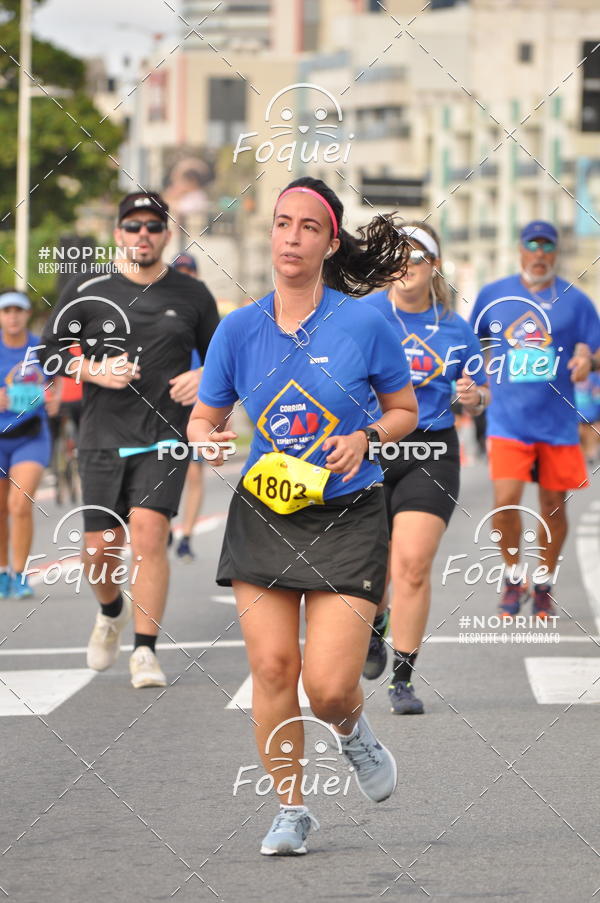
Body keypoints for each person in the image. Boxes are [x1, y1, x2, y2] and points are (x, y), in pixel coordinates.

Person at [189, 176, 418, 856]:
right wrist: (206, 437)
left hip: (348, 512)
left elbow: (404, 410)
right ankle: (292, 809)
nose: (292, 237)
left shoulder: (364, 322)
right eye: (283, 223)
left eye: (308, 227)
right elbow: (205, 416)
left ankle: (351, 730)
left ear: (330, 243)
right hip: (266, 510)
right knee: (271, 667)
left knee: (328, 687)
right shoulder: (238, 329)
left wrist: (367, 437)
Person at [40, 191, 219, 687]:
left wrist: (203, 377)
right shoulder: (88, 286)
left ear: (167, 234)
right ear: (119, 233)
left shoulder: (192, 294)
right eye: (134, 226)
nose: (144, 234)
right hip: (102, 434)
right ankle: (111, 611)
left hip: (164, 434)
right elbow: (48, 352)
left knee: (148, 533)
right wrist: (94, 370)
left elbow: (225, 360)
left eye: (153, 226)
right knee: (99, 550)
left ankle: (145, 650)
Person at [361, 223, 489, 715]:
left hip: (431, 450)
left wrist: (473, 397)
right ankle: (375, 625)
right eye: (398, 256)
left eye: (416, 257)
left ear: (433, 266)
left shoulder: (455, 328)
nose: (406, 266)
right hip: (371, 447)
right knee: (374, 566)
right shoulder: (366, 315)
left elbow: (480, 394)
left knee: (411, 566)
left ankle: (402, 678)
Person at [470, 220, 600, 619]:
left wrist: (588, 362)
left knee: (553, 507)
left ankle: (543, 581)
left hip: (557, 424)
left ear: (555, 252)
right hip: (508, 420)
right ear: (520, 249)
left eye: (547, 246)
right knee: (504, 502)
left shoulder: (576, 301)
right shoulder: (494, 294)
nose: (539, 253)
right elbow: (471, 343)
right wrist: (475, 381)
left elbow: (595, 350)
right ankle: (513, 576)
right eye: (533, 245)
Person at [0, 292, 58, 598]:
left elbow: (60, 381)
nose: (12, 316)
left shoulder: (41, 349)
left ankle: (20, 575)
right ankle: (2, 573)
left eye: (18, 310)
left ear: (27, 314)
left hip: (31, 435)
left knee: (19, 504)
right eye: (6, 310)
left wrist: (55, 397)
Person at [171, 253, 205, 562]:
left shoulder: (204, 311)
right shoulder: (159, 308)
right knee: (162, 471)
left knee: (193, 474)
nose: (184, 275)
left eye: (189, 271)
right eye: (178, 271)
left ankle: (186, 536)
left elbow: (219, 365)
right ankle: (164, 521)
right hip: (162, 408)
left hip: (197, 409)